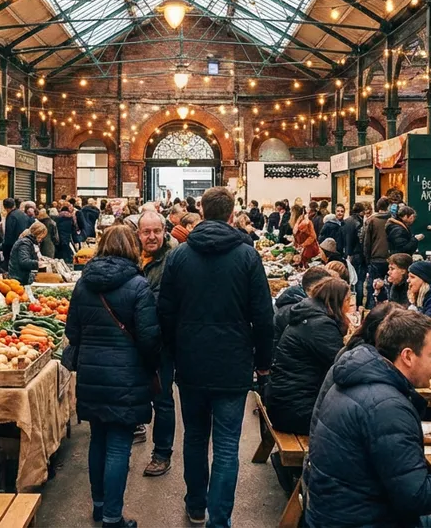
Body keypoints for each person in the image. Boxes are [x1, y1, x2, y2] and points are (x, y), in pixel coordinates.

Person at [304, 309, 431, 527]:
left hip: (335, 514)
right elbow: (417, 497)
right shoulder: (387, 406)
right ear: (408, 356)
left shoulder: (358, 379)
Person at [157, 186, 274, 527]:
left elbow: (165, 311)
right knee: (226, 445)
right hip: (233, 364)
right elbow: (263, 317)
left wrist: (173, 352)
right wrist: (263, 363)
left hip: (191, 363)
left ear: (203, 211)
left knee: (194, 437)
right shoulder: (247, 256)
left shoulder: (179, 256)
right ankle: (218, 519)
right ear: (231, 212)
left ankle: (195, 506)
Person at [65, 225, 160, 528]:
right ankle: (112, 517)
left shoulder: (83, 284)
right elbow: (148, 338)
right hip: (126, 376)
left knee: (98, 441)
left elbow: (72, 332)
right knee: (119, 445)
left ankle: (99, 505)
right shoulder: (138, 285)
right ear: (133, 247)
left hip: (92, 372)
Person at [266, 279, 350, 435]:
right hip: (296, 410)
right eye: (347, 301)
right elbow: (343, 366)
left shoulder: (310, 316)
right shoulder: (320, 325)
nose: (349, 306)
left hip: (284, 403)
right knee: (353, 423)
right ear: (336, 301)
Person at [136, 211, 176, 477]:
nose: (152, 237)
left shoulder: (173, 259)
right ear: (138, 234)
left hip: (162, 341)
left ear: (164, 231)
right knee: (133, 392)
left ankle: (162, 453)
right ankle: (134, 429)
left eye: (156, 231)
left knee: (162, 400)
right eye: (146, 232)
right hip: (134, 339)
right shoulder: (131, 256)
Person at [340, 203, 365, 304]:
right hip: (357, 254)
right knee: (358, 280)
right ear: (361, 212)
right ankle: (358, 303)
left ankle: (349, 302)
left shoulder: (345, 222)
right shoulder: (359, 223)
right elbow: (361, 240)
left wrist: (347, 253)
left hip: (347, 253)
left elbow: (342, 239)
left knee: (350, 279)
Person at [8, 221, 46, 285]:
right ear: (37, 234)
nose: (41, 240)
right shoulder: (25, 243)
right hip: (18, 279)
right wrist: (38, 263)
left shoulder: (27, 242)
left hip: (20, 276)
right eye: (40, 237)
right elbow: (24, 261)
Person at [1, 198, 32, 264]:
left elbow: (9, 233)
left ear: (5, 207)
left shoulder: (11, 216)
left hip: (13, 245)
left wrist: (5, 248)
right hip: (25, 243)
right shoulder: (23, 214)